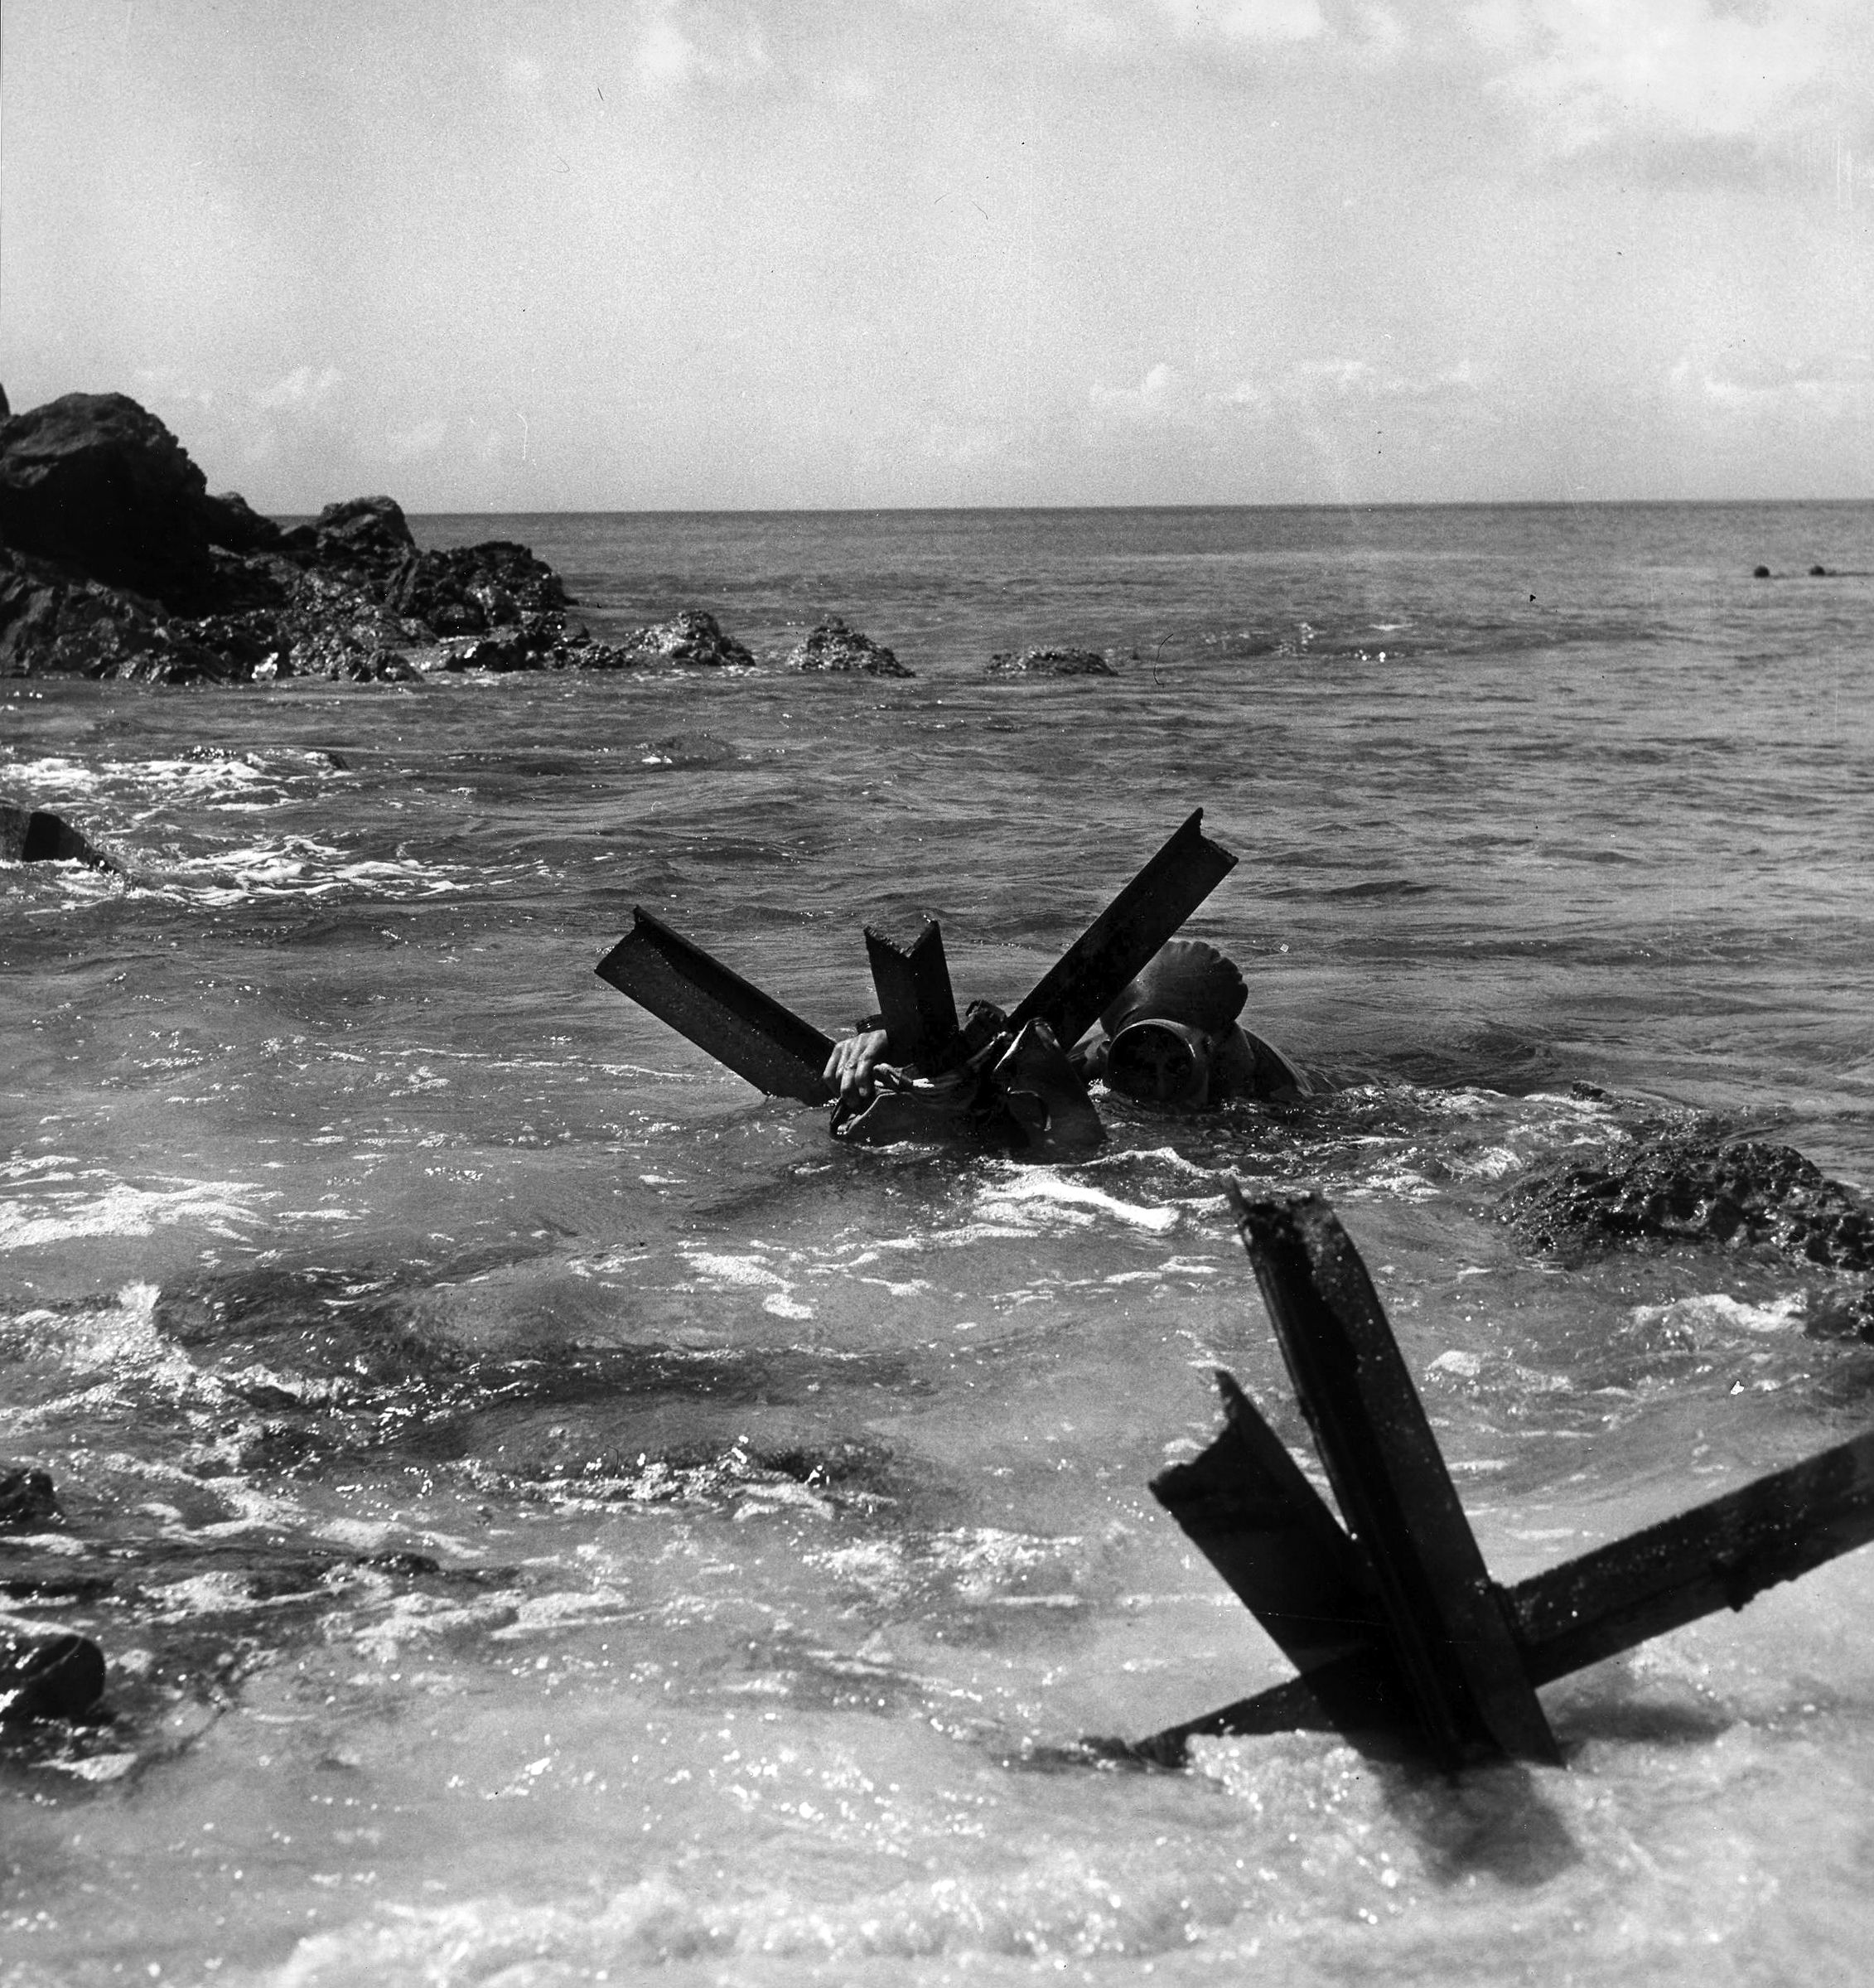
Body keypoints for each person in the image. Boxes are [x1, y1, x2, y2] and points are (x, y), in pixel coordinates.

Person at [822, 937, 1311, 1116]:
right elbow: (999, 1050)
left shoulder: (1266, 1087)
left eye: (1175, 1064)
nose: (1159, 1084)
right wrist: (891, 1040)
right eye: (1140, 1062)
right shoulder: (1097, 1061)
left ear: (1213, 1045)